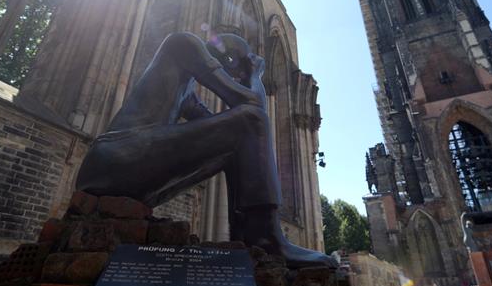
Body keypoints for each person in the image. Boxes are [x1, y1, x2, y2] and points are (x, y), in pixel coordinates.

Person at [75, 32, 336, 269]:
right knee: (252, 120)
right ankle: (265, 238)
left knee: (241, 140)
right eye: (235, 69)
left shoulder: (186, 91)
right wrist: (254, 76)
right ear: (226, 56)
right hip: (116, 155)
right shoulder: (183, 43)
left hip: (124, 167)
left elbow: (230, 138)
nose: (233, 76)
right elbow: (253, 106)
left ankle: (250, 238)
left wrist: (246, 92)